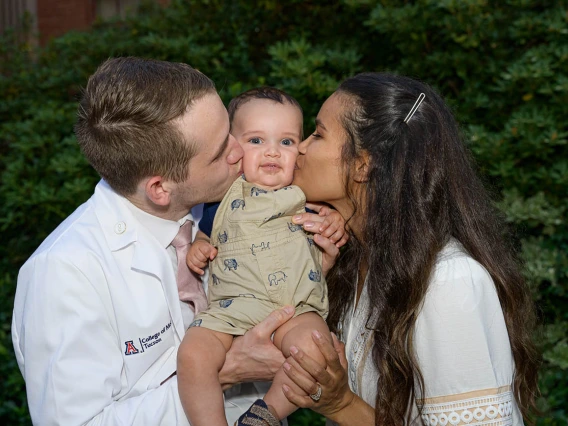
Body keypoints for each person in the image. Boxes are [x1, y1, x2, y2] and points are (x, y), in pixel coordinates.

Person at [10, 57, 340, 426]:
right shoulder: (66, 273)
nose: (238, 151)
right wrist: (225, 371)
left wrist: (307, 261)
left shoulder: (219, 208)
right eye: (219, 152)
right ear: (159, 188)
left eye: (229, 132)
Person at [243, 73, 540, 425]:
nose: (301, 147)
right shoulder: (355, 258)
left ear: (363, 165)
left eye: (318, 134)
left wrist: (341, 405)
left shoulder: (448, 281)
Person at [178, 87, 347, 426]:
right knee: (193, 355)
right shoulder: (219, 197)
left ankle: (265, 414)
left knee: (319, 352)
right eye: (256, 141)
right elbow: (205, 232)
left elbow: (330, 222)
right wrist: (200, 245)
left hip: (294, 307)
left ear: (299, 150)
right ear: (232, 149)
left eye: (286, 142)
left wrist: (334, 221)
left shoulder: (306, 193)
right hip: (231, 308)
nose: (272, 151)